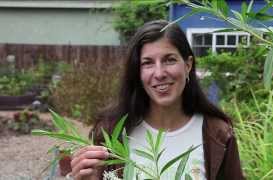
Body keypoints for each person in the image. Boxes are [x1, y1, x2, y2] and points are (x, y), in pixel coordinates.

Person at [71, 20, 244, 180]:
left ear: (188, 65)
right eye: (147, 63)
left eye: (169, 60)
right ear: (137, 72)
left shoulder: (217, 133)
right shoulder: (111, 132)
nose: (159, 73)